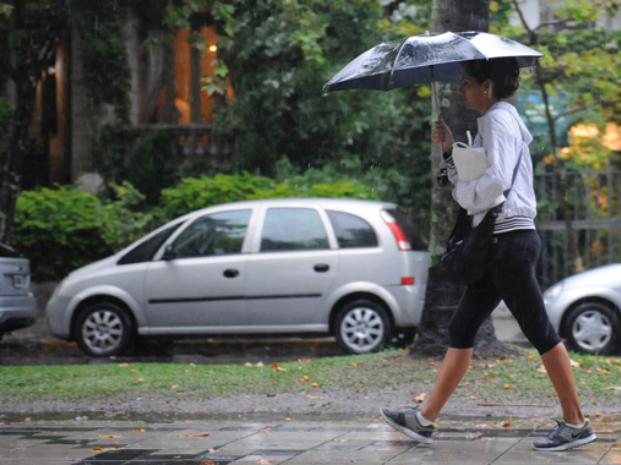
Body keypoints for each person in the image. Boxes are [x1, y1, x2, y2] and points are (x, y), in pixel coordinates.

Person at [381, 57, 596, 452]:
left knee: (542, 333)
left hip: (507, 242)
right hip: (498, 242)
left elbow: (494, 182)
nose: (461, 90)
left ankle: (576, 422)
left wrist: (464, 192)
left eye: (467, 83)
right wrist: (449, 151)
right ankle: (425, 419)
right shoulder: (494, 122)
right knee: (463, 329)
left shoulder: (499, 120)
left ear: (487, 87)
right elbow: (476, 175)